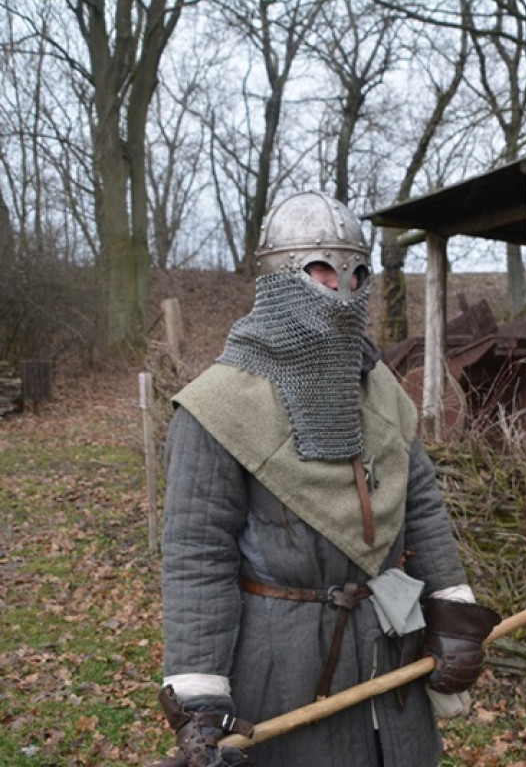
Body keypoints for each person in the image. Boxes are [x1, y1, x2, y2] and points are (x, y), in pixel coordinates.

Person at [156, 190, 499, 767]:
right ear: (279, 280)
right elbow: (197, 557)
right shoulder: (216, 406)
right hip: (280, 672)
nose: (344, 290)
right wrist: (200, 703)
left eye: (358, 274)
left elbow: (422, 507)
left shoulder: (379, 389)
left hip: (390, 658)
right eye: (323, 272)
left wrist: (453, 612)